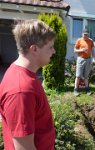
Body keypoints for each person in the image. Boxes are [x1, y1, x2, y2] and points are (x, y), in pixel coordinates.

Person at [0, 20, 56, 149]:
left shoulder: (23, 75)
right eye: (50, 47)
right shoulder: (21, 91)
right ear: (34, 49)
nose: (54, 51)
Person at [74, 29, 95, 96]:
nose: (85, 35)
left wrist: (93, 58)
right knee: (78, 76)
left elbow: (93, 50)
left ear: (88, 34)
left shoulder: (91, 41)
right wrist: (81, 50)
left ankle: (87, 90)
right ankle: (75, 90)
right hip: (81, 59)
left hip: (88, 59)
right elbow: (75, 50)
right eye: (84, 34)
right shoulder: (79, 40)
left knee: (86, 76)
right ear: (82, 34)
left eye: (86, 34)